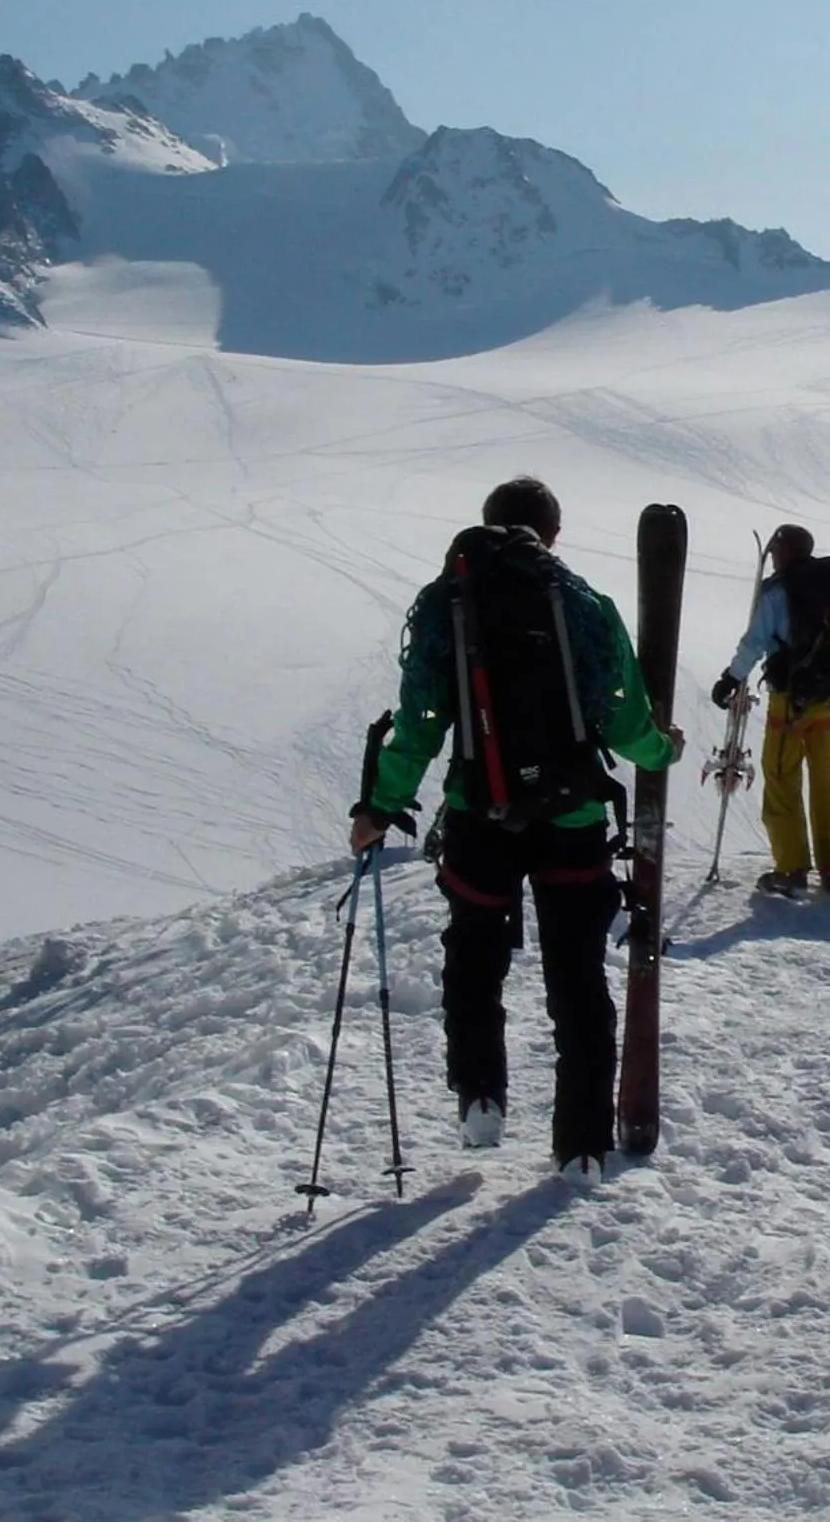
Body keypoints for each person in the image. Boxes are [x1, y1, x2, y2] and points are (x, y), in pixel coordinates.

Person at [350, 476, 682, 1187]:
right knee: (577, 976)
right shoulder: (585, 603)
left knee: (473, 957)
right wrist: (663, 751)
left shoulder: (448, 604)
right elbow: (625, 720)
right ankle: (582, 1147)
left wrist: (379, 806)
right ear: (552, 532)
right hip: (572, 818)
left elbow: (419, 722)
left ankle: (481, 1099)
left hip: (480, 813)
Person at [711, 524, 830, 896]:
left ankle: (792, 868)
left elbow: (756, 641)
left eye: (776, 550)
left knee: (781, 777)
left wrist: (731, 678)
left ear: (784, 552)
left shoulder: (778, 591)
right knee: (826, 780)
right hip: (829, 701)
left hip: (790, 701)